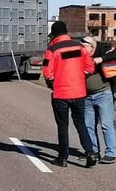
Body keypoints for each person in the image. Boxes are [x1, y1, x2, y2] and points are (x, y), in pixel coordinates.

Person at [42, 21, 98, 167]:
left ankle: (63, 157)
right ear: (66, 31)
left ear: (53, 34)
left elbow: (47, 73)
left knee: (63, 126)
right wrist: (81, 76)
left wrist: (53, 81)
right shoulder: (79, 47)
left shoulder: (52, 49)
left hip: (61, 93)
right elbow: (90, 68)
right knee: (80, 123)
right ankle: (90, 152)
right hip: (79, 92)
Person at [81, 36, 116, 164]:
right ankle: (93, 151)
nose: (82, 51)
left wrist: (101, 59)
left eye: (85, 49)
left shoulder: (103, 49)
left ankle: (110, 153)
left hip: (103, 94)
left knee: (106, 124)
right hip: (86, 96)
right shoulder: (80, 54)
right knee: (88, 125)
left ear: (92, 47)